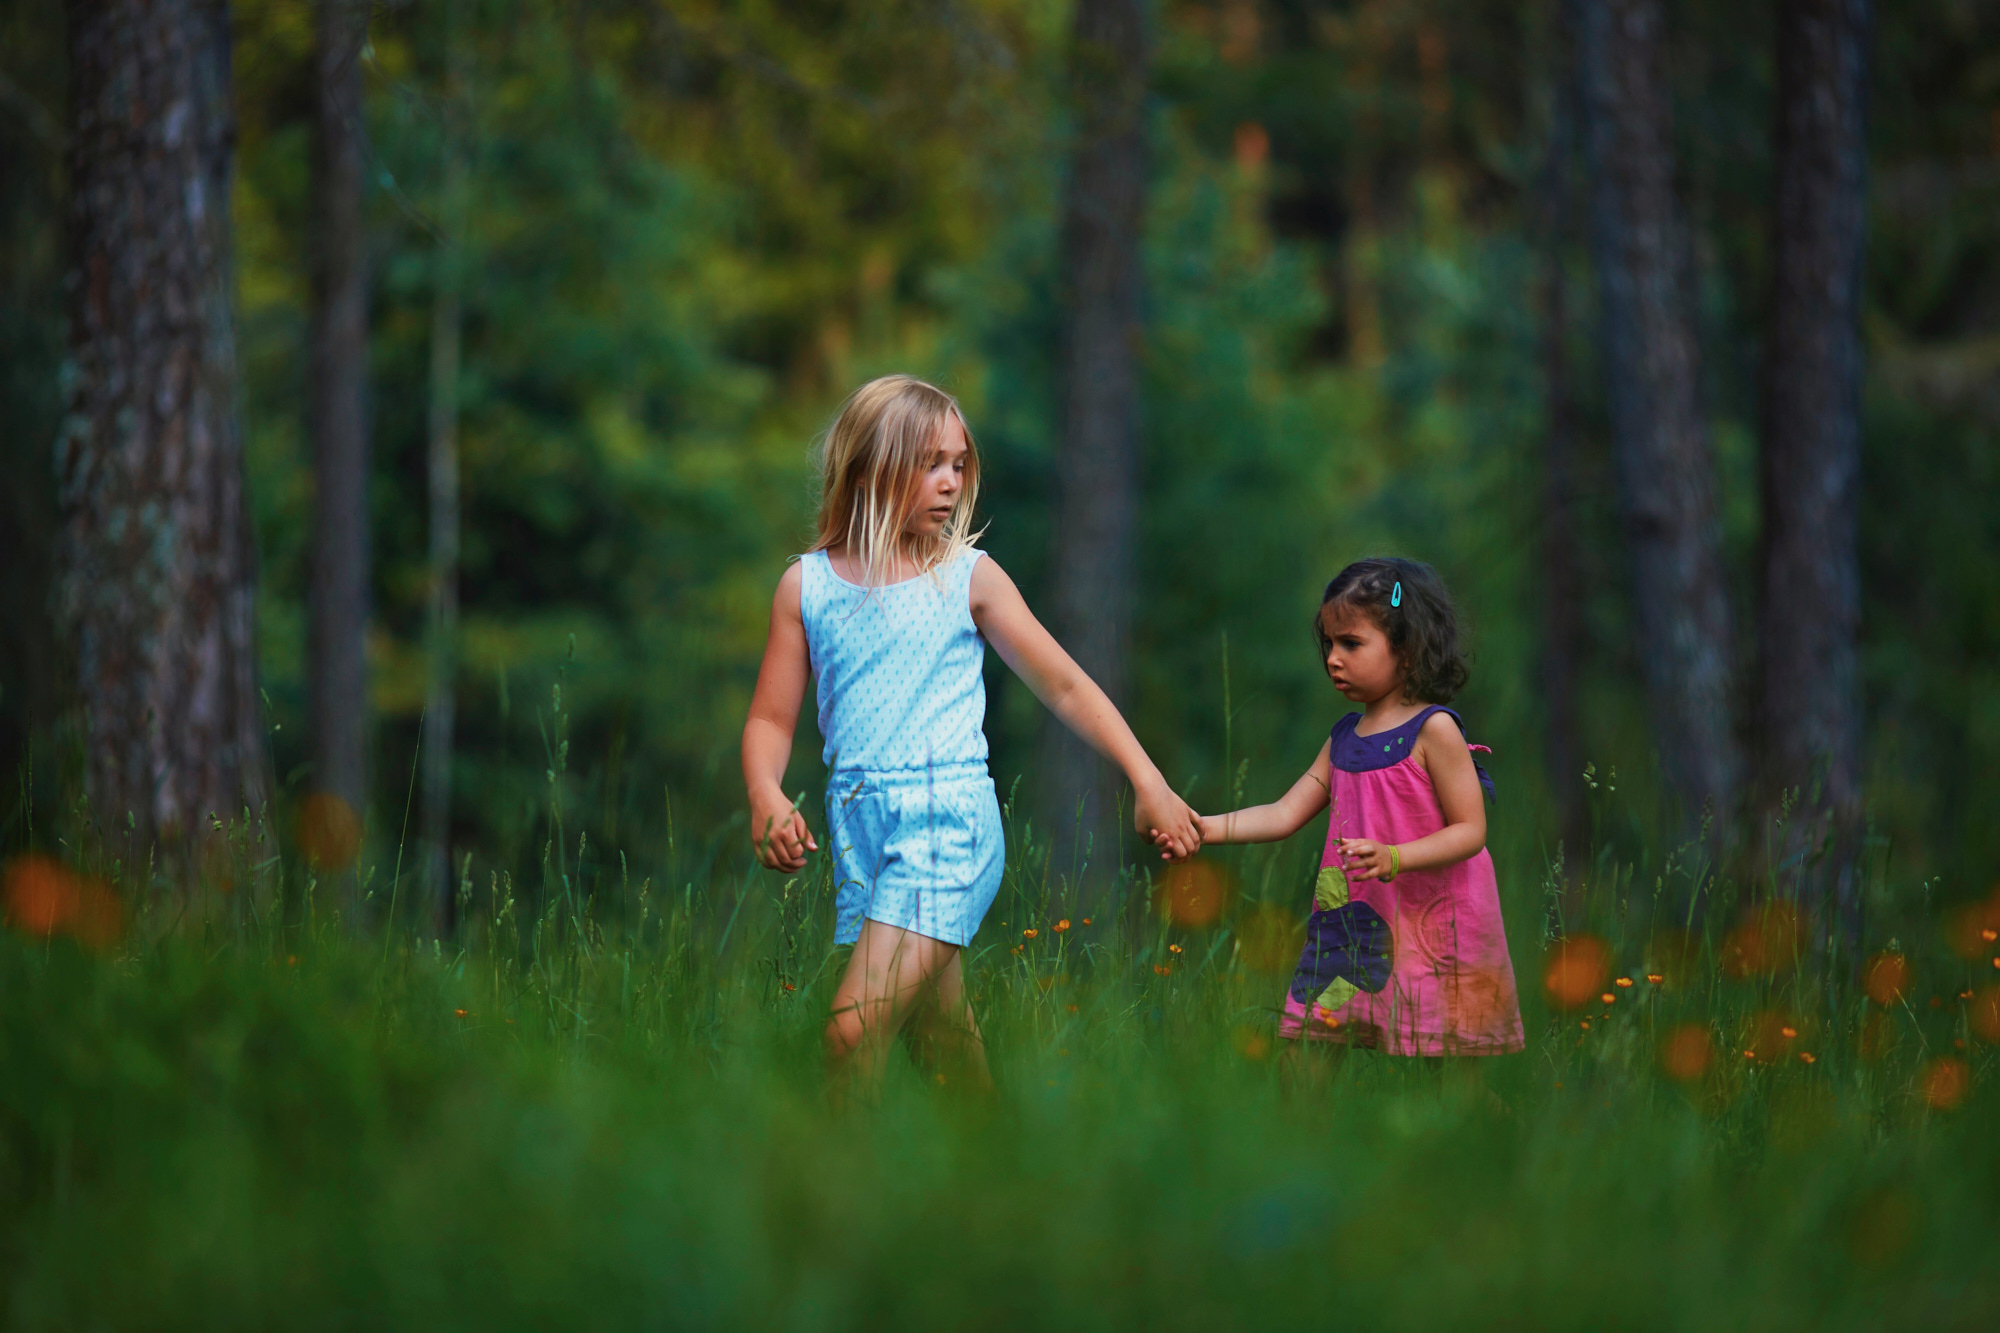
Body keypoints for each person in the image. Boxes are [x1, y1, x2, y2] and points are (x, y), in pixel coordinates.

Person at [741, 374, 1202, 1097]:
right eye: (931, 463)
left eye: (959, 463)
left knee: (850, 1033)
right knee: (946, 1054)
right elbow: (770, 719)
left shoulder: (968, 579)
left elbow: (1066, 685)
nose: (951, 481)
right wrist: (766, 792)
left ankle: (830, 1204)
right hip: (862, 827)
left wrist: (1149, 780)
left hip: (947, 825)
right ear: (871, 467)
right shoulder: (806, 588)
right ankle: (1001, 1192)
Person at [1197, 557, 1523, 1057]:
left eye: (1351, 643)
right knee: (1306, 1044)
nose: (1332, 657)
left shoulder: (1433, 731)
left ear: (1408, 650)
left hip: (1430, 925)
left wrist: (1395, 857)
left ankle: (1503, 1135)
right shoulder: (1343, 739)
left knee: (1446, 1072)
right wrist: (1201, 828)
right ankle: (1304, 1137)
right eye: (1328, 643)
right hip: (1353, 923)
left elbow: (1470, 830)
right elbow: (1284, 813)